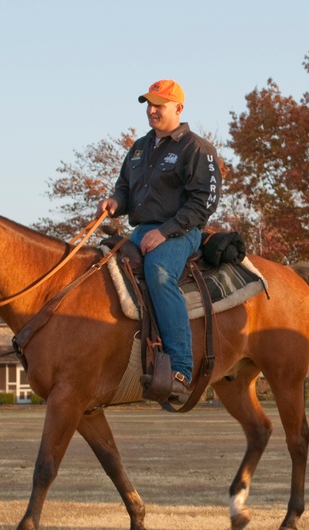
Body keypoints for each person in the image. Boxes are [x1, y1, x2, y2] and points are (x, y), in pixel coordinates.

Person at [97, 79, 222, 399]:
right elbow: (125, 188)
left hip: (182, 231)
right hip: (140, 229)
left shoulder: (196, 148)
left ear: (178, 108)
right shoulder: (139, 147)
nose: (152, 110)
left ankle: (180, 367)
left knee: (159, 273)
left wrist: (164, 232)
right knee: (99, 265)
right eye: (149, 104)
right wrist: (115, 203)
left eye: (159, 105)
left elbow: (204, 203)